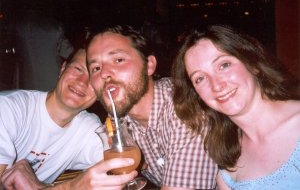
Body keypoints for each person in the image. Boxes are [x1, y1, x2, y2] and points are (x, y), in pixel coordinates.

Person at [86, 25, 218, 189]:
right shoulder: (118, 120)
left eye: (118, 60)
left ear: (149, 65)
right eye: (96, 68)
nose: (104, 73)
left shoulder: (184, 106)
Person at [172, 25, 300, 189]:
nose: (216, 85)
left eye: (224, 65)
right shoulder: (228, 170)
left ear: (253, 64)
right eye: (200, 78)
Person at [0, 48, 137, 189]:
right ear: (63, 69)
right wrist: (71, 186)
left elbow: (120, 168)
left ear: (99, 92)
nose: (82, 82)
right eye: (78, 69)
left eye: (93, 77)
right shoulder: (8, 108)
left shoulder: (89, 128)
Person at [14, 8, 74, 91]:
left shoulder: (19, 26)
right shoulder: (53, 28)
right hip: (50, 79)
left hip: (26, 80)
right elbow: (70, 53)